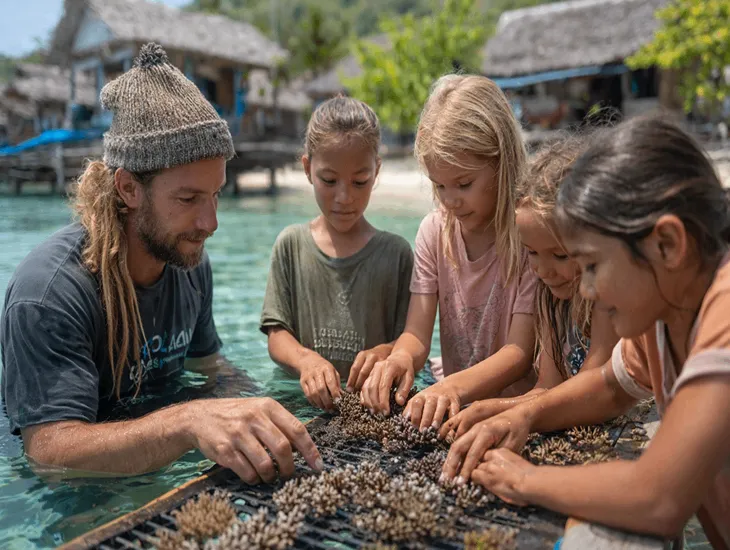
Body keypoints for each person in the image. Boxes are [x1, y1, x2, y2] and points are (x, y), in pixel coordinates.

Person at [0, 43, 322, 484]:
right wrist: (187, 422)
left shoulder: (188, 258)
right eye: (188, 199)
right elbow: (49, 453)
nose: (210, 223)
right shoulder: (50, 293)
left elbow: (208, 370)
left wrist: (265, 411)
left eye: (216, 195)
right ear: (129, 188)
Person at [442, 116, 730, 548]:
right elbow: (610, 387)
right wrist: (524, 414)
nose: (588, 288)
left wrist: (526, 480)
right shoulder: (663, 315)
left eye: (592, 265)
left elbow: (660, 499)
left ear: (667, 244)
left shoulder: (723, 316)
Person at [360, 74, 538, 427]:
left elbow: (519, 353)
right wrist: (400, 359)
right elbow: (417, 335)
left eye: (464, 184)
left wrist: (451, 388)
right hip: (453, 406)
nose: (450, 199)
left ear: (502, 163)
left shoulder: (530, 237)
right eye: (439, 185)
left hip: (515, 410)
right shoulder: (434, 231)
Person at [439, 135, 618, 441]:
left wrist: (510, 414)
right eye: (532, 253)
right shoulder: (549, 295)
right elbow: (547, 388)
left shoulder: (606, 298)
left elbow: (591, 387)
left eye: (560, 255)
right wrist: (489, 409)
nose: (542, 270)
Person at [260, 97, 414, 411]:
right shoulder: (290, 245)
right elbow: (277, 335)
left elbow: (411, 340)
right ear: (307, 168)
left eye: (360, 182)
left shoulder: (396, 254)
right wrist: (306, 361)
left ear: (377, 170)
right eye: (329, 181)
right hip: (300, 404)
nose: (344, 197)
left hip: (372, 407)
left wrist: (385, 352)